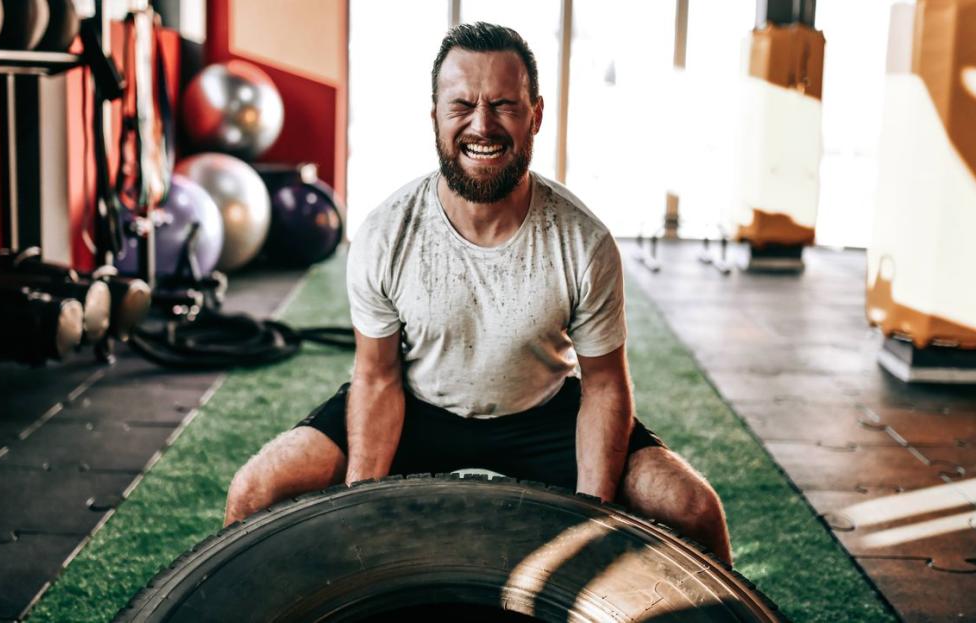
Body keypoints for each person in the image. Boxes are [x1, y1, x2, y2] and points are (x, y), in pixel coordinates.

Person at [225, 22, 731, 566]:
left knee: (693, 509)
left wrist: (590, 515)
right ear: (436, 117)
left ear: (535, 114)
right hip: (417, 407)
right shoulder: (386, 233)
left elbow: (605, 386)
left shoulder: (583, 241)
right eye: (462, 104)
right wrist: (360, 510)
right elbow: (377, 376)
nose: (482, 125)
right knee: (255, 490)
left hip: (543, 415)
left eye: (504, 105)